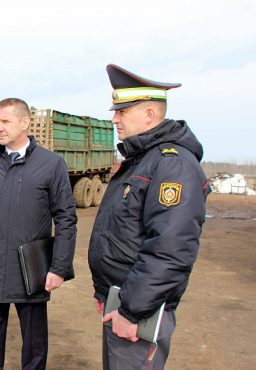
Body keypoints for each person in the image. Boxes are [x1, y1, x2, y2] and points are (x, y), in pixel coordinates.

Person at [88, 64, 211, 370]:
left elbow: (171, 251)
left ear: (149, 115)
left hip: (138, 313)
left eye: (122, 111)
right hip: (121, 302)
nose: (114, 118)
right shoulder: (142, 160)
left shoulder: (172, 165)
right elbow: (123, 234)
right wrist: (106, 292)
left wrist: (131, 311)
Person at [0, 98, 77, 370]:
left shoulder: (51, 164)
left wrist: (59, 267)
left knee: (35, 343)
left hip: (31, 271)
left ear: (24, 123)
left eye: (5, 122)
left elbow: (66, 219)